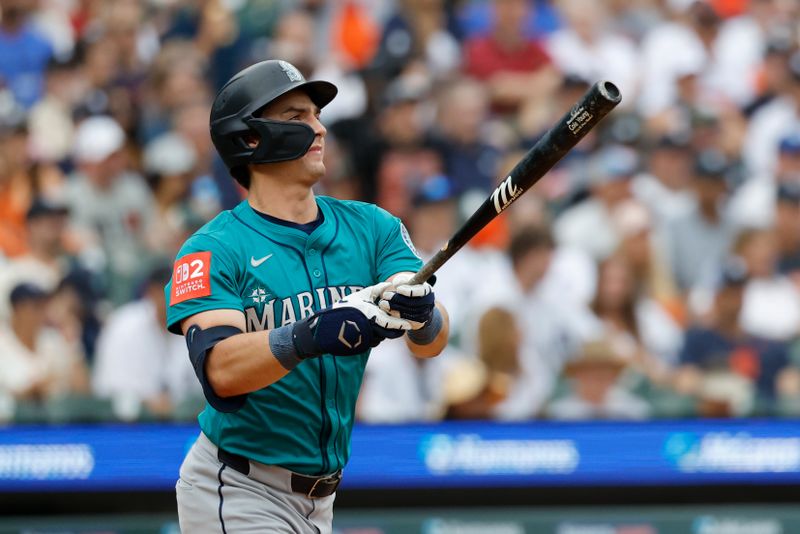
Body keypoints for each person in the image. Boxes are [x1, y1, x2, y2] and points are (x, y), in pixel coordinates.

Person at [165, 59, 449, 533]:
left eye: (316, 115)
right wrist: (309, 334)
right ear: (249, 138)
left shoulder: (373, 227)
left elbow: (433, 341)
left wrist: (422, 315)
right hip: (239, 486)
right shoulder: (212, 248)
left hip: (323, 498)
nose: (319, 128)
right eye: (296, 117)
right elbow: (220, 370)